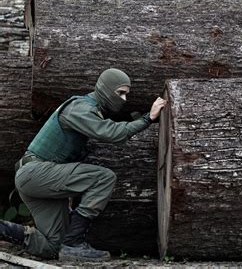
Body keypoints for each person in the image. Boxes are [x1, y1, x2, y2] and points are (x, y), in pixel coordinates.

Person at [0, 68, 166, 261]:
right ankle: (74, 242)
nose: (124, 99)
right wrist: (148, 118)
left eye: (126, 94)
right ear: (105, 88)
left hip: (36, 178)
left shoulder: (89, 109)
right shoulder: (80, 107)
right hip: (35, 173)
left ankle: (4, 229)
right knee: (103, 178)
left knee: (52, 247)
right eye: (120, 93)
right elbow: (111, 133)